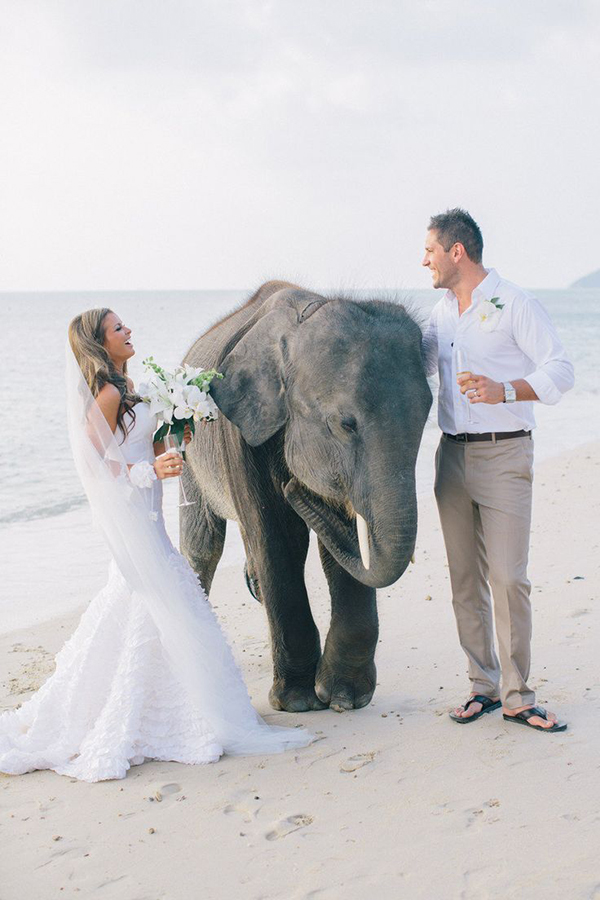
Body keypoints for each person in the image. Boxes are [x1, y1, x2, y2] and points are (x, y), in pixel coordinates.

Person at [0, 308, 312, 782]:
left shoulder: (129, 388)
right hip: (134, 510)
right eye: (118, 329)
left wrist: (172, 444)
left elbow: (138, 446)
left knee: (151, 596)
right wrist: (147, 471)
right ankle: (149, 710)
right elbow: (93, 465)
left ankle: (171, 703)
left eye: (125, 325)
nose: (129, 331)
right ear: (101, 344)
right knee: (150, 594)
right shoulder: (106, 393)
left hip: (148, 509)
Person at [422, 208, 574, 733]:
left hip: (506, 452)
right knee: (465, 579)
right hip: (452, 458)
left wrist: (503, 389)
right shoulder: (437, 316)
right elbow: (410, 368)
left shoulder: (514, 303)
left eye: (431, 251)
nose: (425, 261)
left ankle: (519, 694)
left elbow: (560, 369)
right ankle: (482, 687)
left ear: (456, 251)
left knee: (508, 578)